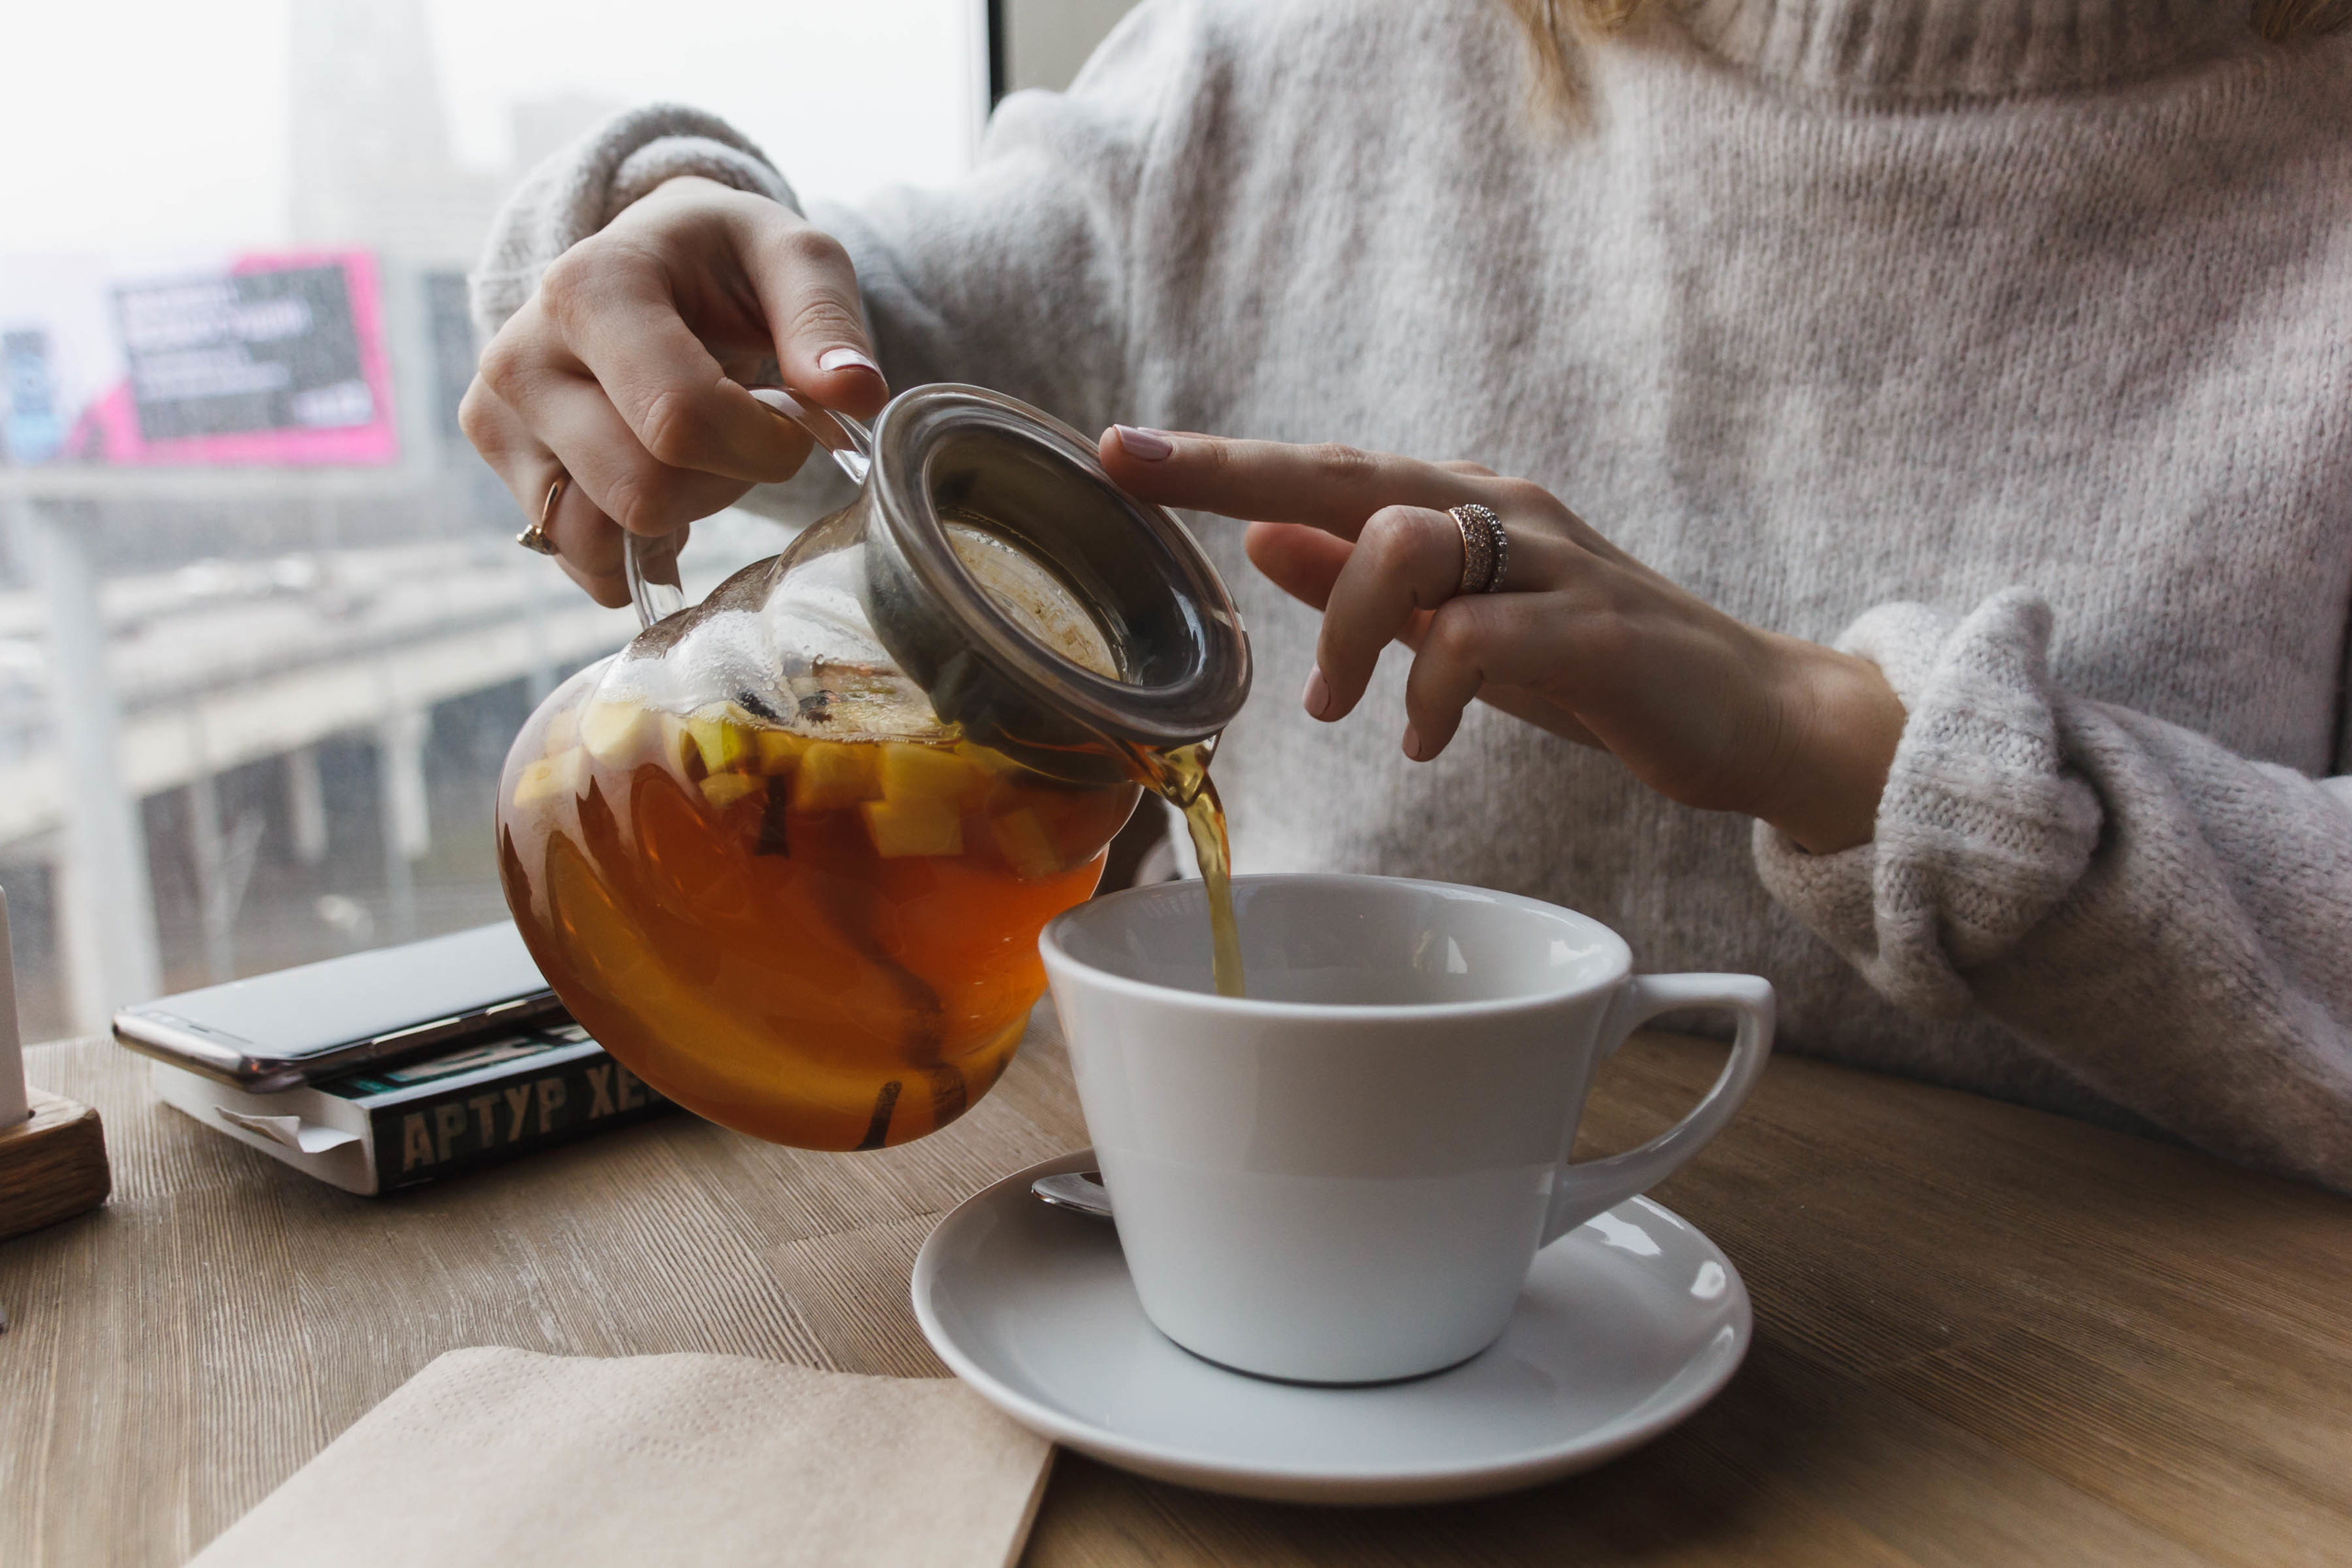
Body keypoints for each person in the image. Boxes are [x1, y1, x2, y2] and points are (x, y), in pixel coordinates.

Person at [458, 0, 2352, 1189]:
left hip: (2113, 1378)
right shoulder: (1303, 61)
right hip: (1261, 1274)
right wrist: (657, 261)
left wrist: (1848, 748)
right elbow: (852, 354)